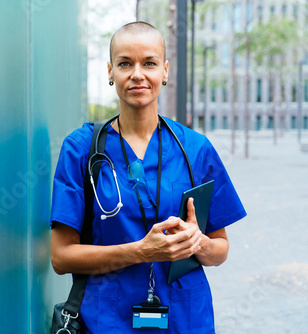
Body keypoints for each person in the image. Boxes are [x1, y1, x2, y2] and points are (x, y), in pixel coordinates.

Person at [49, 21, 246, 333]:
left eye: (149, 63)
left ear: (164, 71)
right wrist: (142, 251)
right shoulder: (82, 148)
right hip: (107, 320)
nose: (137, 74)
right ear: (110, 72)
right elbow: (61, 257)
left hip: (185, 318)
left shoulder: (195, 148)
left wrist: (199, 243)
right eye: (125, 63)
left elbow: (219, 248)